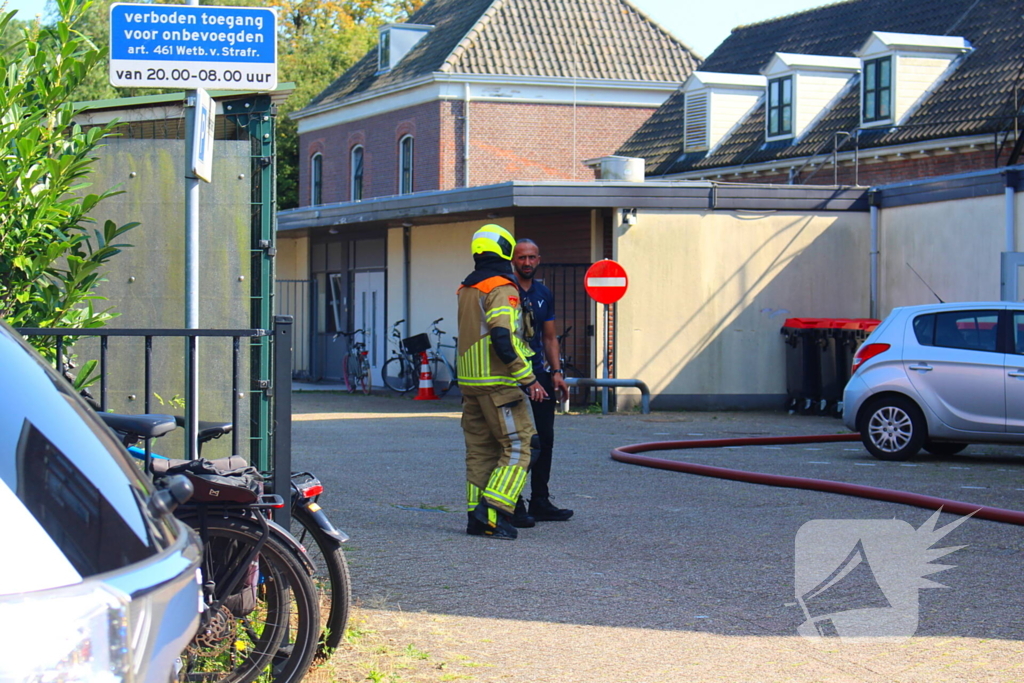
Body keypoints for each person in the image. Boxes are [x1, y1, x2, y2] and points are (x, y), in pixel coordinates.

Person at [457, 224, 548, 540]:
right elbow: (501, 336)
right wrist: (529, 379)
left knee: (481, 451)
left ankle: (476, 518)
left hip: (471, 384)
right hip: (499, 383)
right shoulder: (501, 289)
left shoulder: (468, 288)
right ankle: (494, 510)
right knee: (523, 444)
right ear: (507, 251)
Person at [511, 239, 574, 525]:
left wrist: (557, 372)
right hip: (510, 376)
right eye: (522, 257)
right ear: (513, 260)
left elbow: (549, 337)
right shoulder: (503, 291)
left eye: (532, 257)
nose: (527, 263)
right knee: (517, 442)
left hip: (539, 373)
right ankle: (513, 503)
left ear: (539, 259)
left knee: (545, 439)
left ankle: (540, 500)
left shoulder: (543, 293)